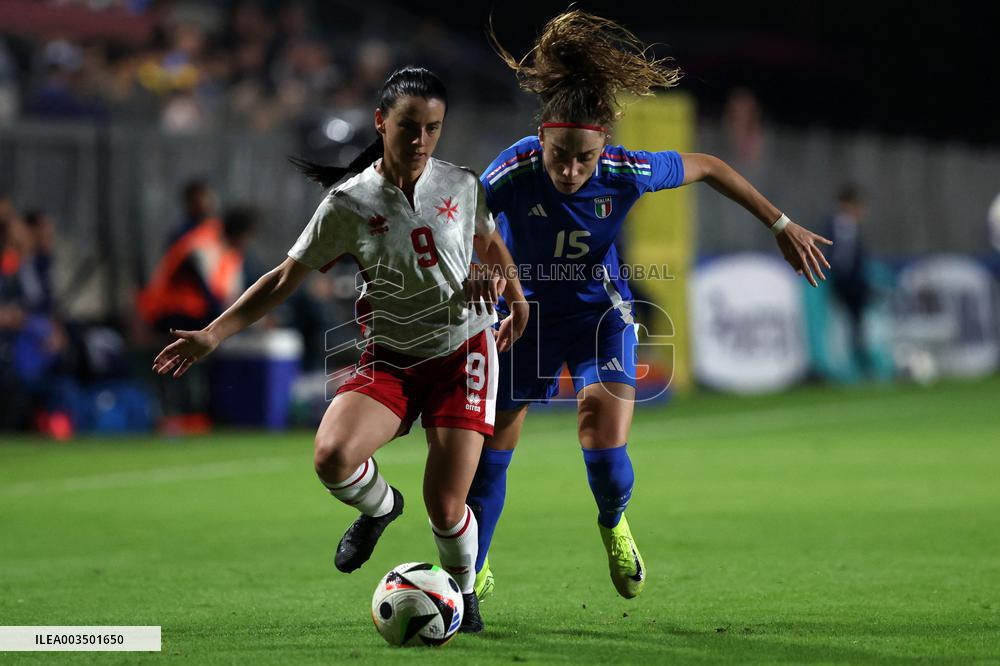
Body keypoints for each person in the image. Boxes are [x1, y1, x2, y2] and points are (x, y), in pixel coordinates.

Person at [467, 10, 832, 604]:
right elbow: (466, 212)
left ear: (603, 145)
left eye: (584, 157)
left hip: (599, 321)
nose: (571, 169)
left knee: (605, 448)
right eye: (561, 154)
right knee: (493, 452)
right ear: (543, 138)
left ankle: (613, 522)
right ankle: (472, 574)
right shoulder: (516, 166)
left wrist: (781, 222)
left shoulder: (625, 171)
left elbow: (711, 166)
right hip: (526, 319)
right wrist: (481, 265)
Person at [152, 66, 528, 633]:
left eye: (433, 128)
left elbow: (492, 246)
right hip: (391, 358)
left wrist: (511, 294)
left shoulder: (462, 184)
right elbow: (283, 278)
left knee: (447, 508)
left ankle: (464, 598)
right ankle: (380, 507)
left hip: (463, 351)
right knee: (331, 456)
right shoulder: (349, 204)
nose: (421, 140)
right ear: (381, 122)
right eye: (409, 126)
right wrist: (214, 332)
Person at [827, 183, 870, 374]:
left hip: (856, 286)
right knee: (838, 326)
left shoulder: (855, 227)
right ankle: (840, 367)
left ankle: (860, 365)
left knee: (857, 326)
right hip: (837, 282)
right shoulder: (832, 225)